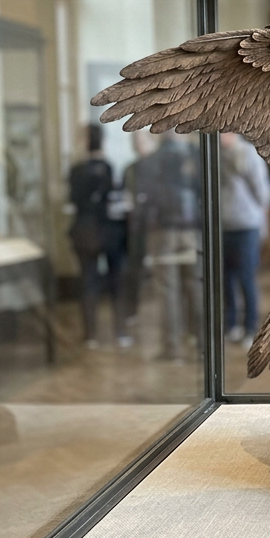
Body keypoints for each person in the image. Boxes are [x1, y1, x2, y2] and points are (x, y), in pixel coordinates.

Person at [132, 133, 202, 362]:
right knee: (195, 286)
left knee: (168, 290)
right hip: (191, 228)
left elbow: (143, 199)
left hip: (162, 230)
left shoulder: (150, 161)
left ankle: (173, 349)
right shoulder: (195, 155)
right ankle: (203, 344)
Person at [67, 124, 127, 347]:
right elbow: (111, 196)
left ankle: (90, 334)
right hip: (109, 230)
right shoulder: (108, 167)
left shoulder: (76, 170)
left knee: (88, 282)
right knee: (116, 281)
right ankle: (119, 331)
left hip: (84, 230)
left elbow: (74, 198)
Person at [220, 133, 270, 348]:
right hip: (223, 226)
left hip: (246, 225)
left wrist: (263, 224)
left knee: (246, 278)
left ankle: (250, 327)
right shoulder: (215, 155)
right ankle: (231, 324)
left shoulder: (248, 154)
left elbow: (263, 192)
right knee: (226, 279)